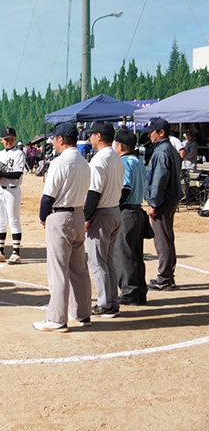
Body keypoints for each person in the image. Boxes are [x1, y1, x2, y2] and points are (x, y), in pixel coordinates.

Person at [34, 122, 92, 333]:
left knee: (59, 270)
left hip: (61, 216)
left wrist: (43, 217)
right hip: (78, 214)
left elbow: (48, 196)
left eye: (55, 139)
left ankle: (57, 319)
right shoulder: (85, 162)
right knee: (79, 269)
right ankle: (83, 313)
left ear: (60, 139)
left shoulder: (60, 162)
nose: (53, 142)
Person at [83, 122, 124, 317]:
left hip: (102, 213)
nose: (90, 137)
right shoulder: (117, 156)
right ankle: (112, 301)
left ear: (99, 136)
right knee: (108, 260)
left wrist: (87, 217)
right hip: (115, 210)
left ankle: (105, 303)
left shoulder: (100, 159)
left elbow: (93, 192)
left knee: (98, 261)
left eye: (92, 134)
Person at [144, 117, 182, 291]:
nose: (149, 135)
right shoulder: (171, 149)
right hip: (170, 199)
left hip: (163, 202)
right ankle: (168, 275)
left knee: (162, 240)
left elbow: (159, 180)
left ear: (161, 133)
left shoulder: (161, 152)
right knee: (167, 238)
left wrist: (153, 203)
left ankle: (164, 277)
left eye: (152, 131)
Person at [112, 128, 148, 305]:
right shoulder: (139, 162)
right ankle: (140, 291)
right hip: (138, 210)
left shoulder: (125, 162)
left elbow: (125, 189)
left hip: (126, 211)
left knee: (124, 254)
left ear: (119, 145)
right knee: (136, 254)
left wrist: (115, 206)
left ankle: (129, 292)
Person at [0, 127, 25, 264]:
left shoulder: (18, 154)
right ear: (1, 140)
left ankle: (16, 253)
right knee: (1, 220)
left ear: (15, 139)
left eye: (11, 139)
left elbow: (17, 174)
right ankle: (0, 252)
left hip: (13, 190)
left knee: (14, 220)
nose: (9, 141)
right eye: (6, 139)